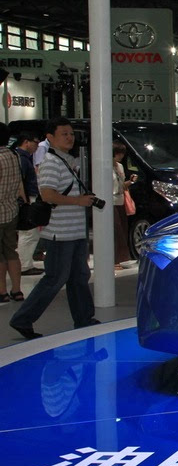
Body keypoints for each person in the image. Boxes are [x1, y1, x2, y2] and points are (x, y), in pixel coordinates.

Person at [10, 117, 100, 340]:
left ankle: (84, 318)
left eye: (71, 134)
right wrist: (78, 201)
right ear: (50, 137)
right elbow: (48, 194)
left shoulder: (65, 160)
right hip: (60, 233)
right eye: (64, 134)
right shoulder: (51, 162)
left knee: (79, 276)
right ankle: (22, 319)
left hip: (75, 232)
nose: (70, 138)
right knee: (55, 278)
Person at [0, 123, 26, 304]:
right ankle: (17, 290)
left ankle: (2, 291)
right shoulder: (14, 155)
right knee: (11, 251)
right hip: (12, 209)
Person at [13, 131, 41, 277]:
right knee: (29, 233)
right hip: (28, 199)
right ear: (26, 142)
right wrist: (25, 201)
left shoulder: (22, 157)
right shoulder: (22, 158)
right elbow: (19, 181)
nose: (37, 146)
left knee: (29, 233)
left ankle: (25, 264)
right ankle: (24, 265)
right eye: (36, 142)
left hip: (28, 198)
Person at [112, 142, 134, 268]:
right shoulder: (106, 167)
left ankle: (119, 259)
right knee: (116, 230)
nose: (121, 156)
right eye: (118, 153)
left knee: (122, 229)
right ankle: (114, 260)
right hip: (111, 201)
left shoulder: (120, 166)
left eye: (122, 153)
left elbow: (121, 185)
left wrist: (130, 181)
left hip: (120, 200)